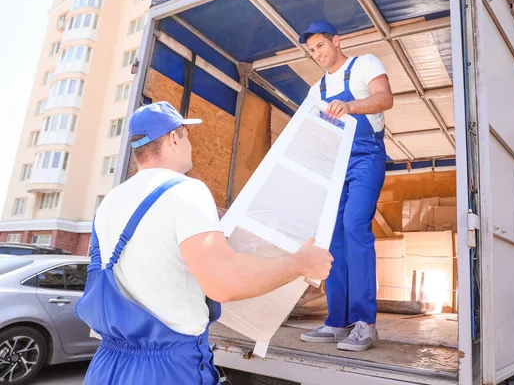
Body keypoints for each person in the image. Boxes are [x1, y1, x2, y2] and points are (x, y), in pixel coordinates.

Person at [74, 101, 333, 385]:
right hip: (165, 371)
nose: (191, 146)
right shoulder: (184, 190)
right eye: (187, 137)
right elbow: (224, 282)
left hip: (107, 365)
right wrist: (300, 263)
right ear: (174, 138)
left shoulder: (110, 201)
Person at [297, 21, 393, 352]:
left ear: (337, 41)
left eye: (320, 46)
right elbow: (308, 130)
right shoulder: (316, 90)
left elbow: (385, 99)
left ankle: (365, 322)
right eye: (312, 51)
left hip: (367, 157)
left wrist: (350, 106)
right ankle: (337, 322)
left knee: (355, 226)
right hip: (335, 162)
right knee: (333, 237)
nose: (317, 54)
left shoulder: (364, 64)